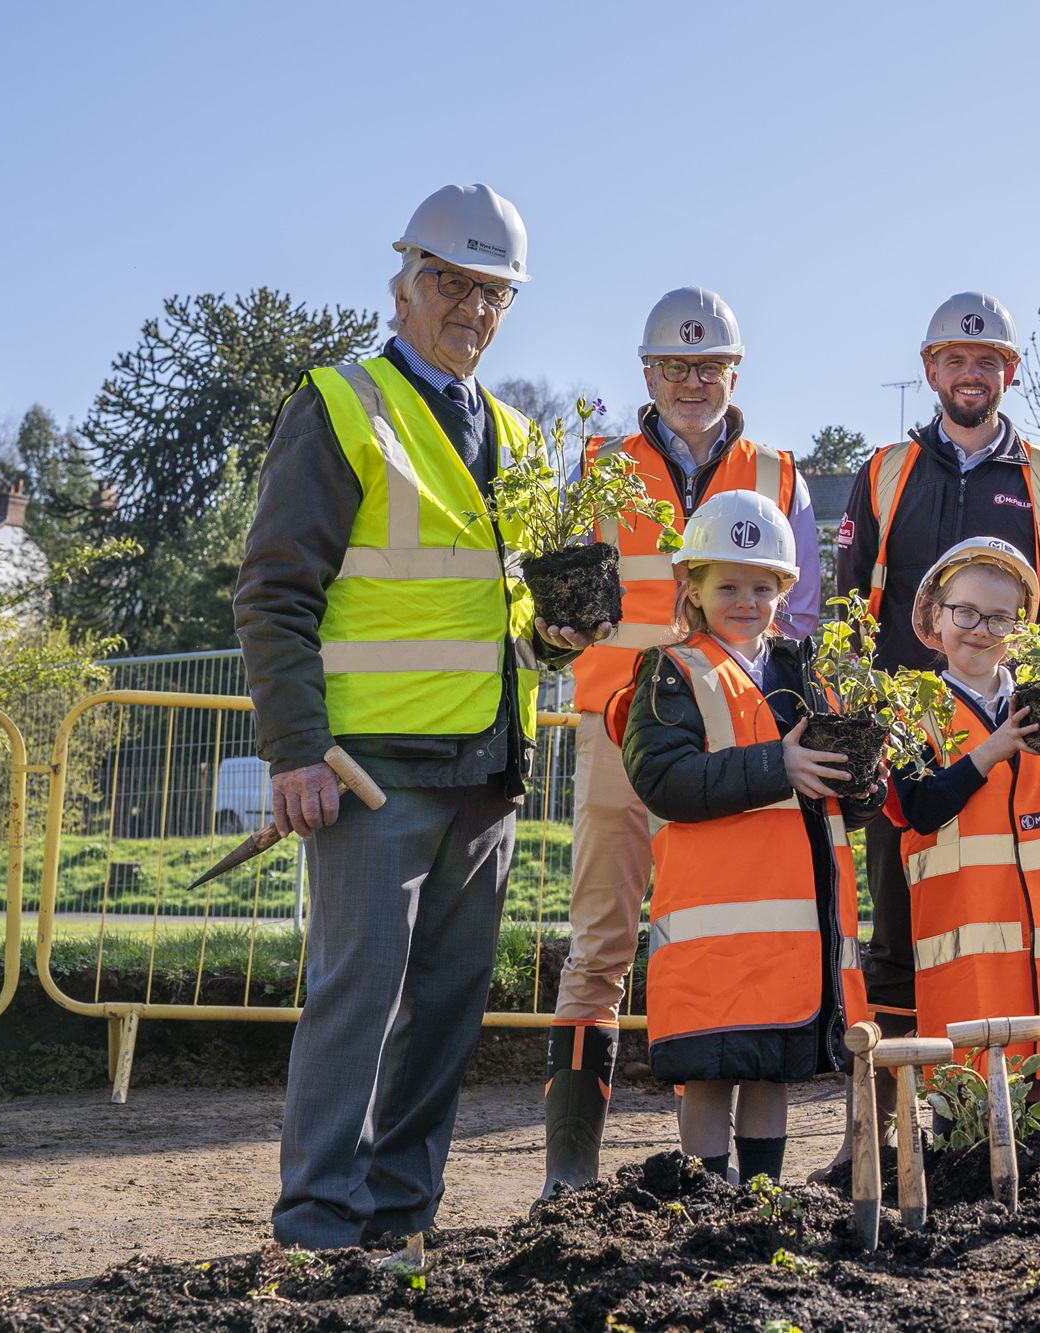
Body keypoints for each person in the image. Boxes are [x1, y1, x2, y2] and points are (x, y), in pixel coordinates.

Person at [235, 184, 608, 1249]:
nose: (473, 310)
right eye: (452, 284)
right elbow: (274, 592)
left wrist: (556, 636)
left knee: (444, 1014)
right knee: (356, 1002)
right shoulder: (341, 404)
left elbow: (513, 615)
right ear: (404, 285)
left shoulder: (521, 439)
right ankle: (316, 1224)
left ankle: (400, 1219)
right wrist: (295, 747)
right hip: (369, 770)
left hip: (484, 771)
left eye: (493, 293)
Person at [545, 287, 820, 1197]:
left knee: (730, 938)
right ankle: (569, 1173)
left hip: (737, 745)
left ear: (734, 372)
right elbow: (553, 604)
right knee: (601, 946)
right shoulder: (597, 466)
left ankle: (725, 1178)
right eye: (673, 365)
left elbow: (804, 618)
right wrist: (547, 627)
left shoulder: (781, 474)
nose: (691, 381)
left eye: (708, 366)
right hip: (621, 731)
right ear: (647, 372)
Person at [836, 292, 1040, 1049]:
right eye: (955, 359)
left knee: (1014, 924)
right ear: (930, 369)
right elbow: (854, 608)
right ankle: (884, 1130)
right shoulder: (885, 471)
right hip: (909, 742)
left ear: (1009, 372)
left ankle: (1015, 1099)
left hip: (1015, 737)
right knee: (896, 934)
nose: (971, 374)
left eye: (987, 360)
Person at [615, 491, 879, 1184]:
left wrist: (865, 789)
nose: (746, 599)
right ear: (692, 589)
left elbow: (831, 800)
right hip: (709, 932)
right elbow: (661, 777)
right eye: (727, 584)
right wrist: (777, 765)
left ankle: (759, 1200)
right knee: (707, 1071)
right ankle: (708, 1197)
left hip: (787, 938)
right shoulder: (669, 671)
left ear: (784, 591)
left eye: (762, 586)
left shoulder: (803, 674)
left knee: (771, 1072)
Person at [890, 538, 1040, 1089]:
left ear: (1019, 630)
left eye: (998, 618)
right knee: (964, 1084)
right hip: (962, 929)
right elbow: (920, 808)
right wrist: (992, 749)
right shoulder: (910, 709)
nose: (980, 629)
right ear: (935, 619)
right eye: (965, 612)